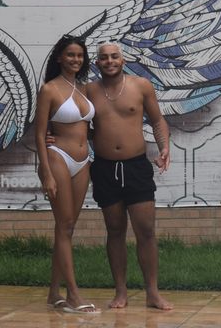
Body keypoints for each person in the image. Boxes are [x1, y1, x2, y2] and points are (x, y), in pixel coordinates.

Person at [87, 41, 173, 311]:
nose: (109, 61)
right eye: (104, 58)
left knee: (145, 230)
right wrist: (54, 136)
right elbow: (75, 125)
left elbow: (157, 120)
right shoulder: (89, 91)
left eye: (114, 56)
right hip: (105, 168)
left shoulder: (141, 86)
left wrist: (164, 146)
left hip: (136, 166)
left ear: (122, 60)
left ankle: (152, 293)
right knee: (115, 231)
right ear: (97, 63)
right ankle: (120, 292)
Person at [34, 35, 98, 314]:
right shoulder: (49, 89)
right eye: (70, 54)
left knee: (68, 227)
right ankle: (73, 295)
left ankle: (53, 293)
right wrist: (46, 173)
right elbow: (39, 134)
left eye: (80, 55)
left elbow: (88, 127)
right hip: (57, 157)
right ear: (60, 57)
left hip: (83, 161)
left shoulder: (84, 89)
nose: (75, 59)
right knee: (64, 224)